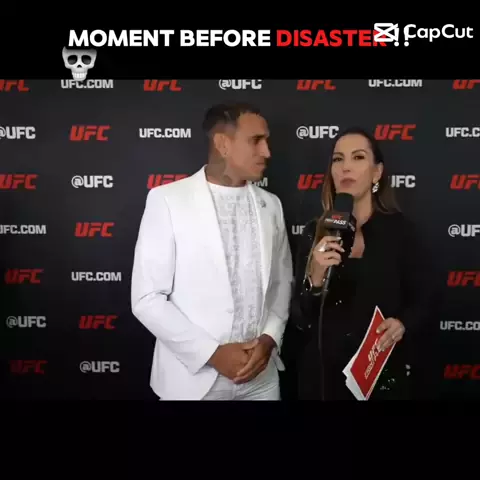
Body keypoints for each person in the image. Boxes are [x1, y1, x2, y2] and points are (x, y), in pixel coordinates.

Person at [130, 102, 293, 400]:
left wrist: (269, 338)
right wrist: (212, 354)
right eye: (256, 140)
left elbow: (282, 283)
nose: (267, 152)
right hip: (192, 380)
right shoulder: (167, 200)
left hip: (262, 377)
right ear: (223, 144)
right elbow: (147, 298)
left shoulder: (272, 205)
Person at [283, 127, 435, 400]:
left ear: (377, 173)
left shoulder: (402, 232)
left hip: (379, 378)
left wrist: (402, 323)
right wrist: (315, 278)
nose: (346, 167)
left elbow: (425, 300)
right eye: (338, 159)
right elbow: (301, 317)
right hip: (322, 380)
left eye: (358, 157)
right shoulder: (313, 233)